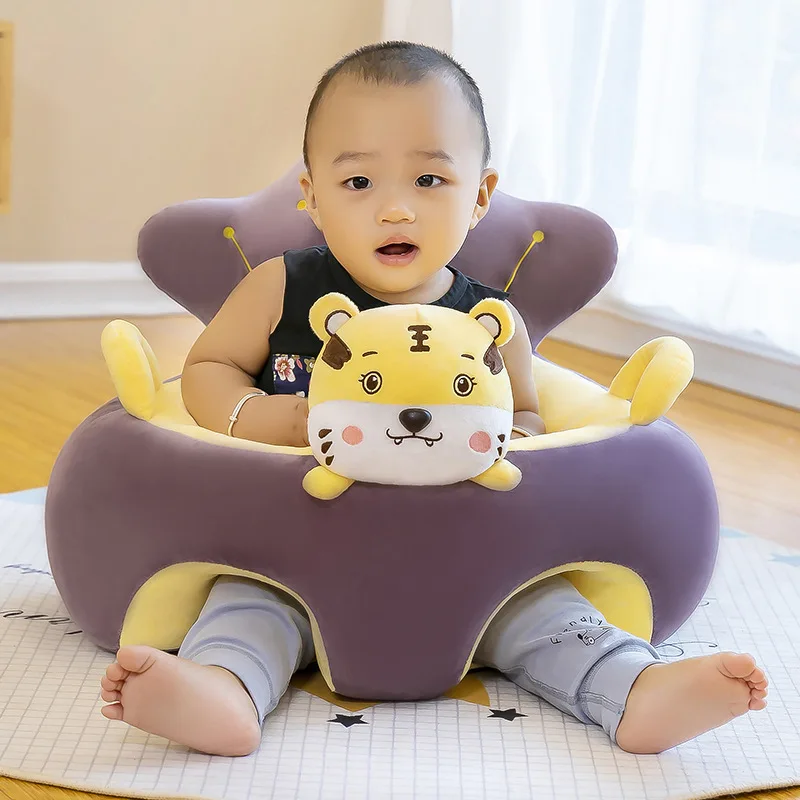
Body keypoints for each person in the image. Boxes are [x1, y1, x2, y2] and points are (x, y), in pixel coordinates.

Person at [99, 41, 767, 758]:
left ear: (478, 195)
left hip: (466, 562)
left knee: (547, 613)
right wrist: (272, 418)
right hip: (301, 550)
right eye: (358, 182)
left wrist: (503, 445)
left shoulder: (491, 321)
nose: (395, 209)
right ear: (311, 195)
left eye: (428, 179)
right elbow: (207, 368)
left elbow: (529, 420)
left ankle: (633, 691)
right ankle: (221, 691)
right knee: (247, 605)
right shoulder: (280, 287)